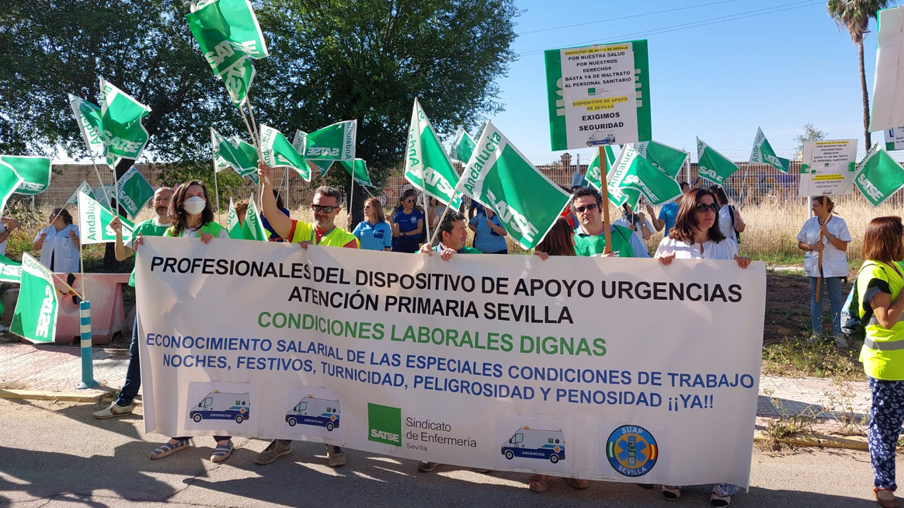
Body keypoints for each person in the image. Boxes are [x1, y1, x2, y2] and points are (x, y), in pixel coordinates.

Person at [256, 161, 357, 468]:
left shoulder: (349, 241)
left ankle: (333, 443)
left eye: (328, 208)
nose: (321, 212)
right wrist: (266, 184)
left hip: (330, 327)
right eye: (317, 207)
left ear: (338, 211)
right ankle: (283, 440)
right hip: (296, 323)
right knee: (290, 381)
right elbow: (272, 215)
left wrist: (312, 257)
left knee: (330, 384)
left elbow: (346, 282)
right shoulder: (299, 230)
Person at [654, 187, 750, 507]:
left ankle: (722, 482)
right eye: (702, 207)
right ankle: (676, 474)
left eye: (712, 206)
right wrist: (661, 270)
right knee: (680, 408)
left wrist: (745, 270)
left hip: (719, 341)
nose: (710, 212)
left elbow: (737, 288)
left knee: (719, 409)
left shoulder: (726, 244)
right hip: (680, 341)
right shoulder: (669, 244)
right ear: (689, 210)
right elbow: (651, 292)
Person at [148, 181, 233, 463]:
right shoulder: (170, 233)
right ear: (180, 202)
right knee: (178, 372)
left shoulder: (217, 232)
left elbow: (232, 270)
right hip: (175, 315)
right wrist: (143, 249)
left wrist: (214, 250)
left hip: (207, 315)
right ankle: (179, 434)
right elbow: (158, 270)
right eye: (191, 196)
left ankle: (222, 437)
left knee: (210, 373)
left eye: (201, 195)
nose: (196, 200)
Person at [93, 187, 173, 420]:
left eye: (167, 199)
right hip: (146, 297)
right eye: (158, 199)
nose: (162, 202)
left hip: (175, 299)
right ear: (152, 203)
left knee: (174, 349)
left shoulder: (182, 230)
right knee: (138, 351)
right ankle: (125, 401)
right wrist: (118, 233)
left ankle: (171, 402)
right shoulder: (142, 228)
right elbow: (121, 256)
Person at [418, 211, 482, 473]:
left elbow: (495, 280)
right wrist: (424, 258)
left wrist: (460, 262)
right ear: (444, 235)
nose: (465, 232)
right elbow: (406, 281)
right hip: (435, 343)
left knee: (471, 398)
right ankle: (435, 449)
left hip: (469, 342)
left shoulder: (474, 254)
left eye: (465, 227)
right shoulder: (427, 253)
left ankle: (477, 452)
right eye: (460, 229)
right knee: (437, 397)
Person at [528, 217, 589, 493]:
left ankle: (573, 466)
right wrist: (531, 266)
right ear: (564, 238)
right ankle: (544, 468)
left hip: (568, 350)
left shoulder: (581, 266)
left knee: (561, 408)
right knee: (549, 409)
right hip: (547, 350)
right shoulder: (532, 266)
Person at [857, 217, 904, 508]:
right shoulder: (875, 273)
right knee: (885, 429)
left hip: (899, 363)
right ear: (890, 239)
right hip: (888, 365)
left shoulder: (893, 266)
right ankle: (883, 486)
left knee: (887, 426)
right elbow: (886, 320)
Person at [796, 196, 851, 347]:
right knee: (816, 297)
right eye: (812, 205)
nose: (812, 208)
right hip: (815, 265)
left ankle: (838, 333)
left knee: (835, 298)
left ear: (826, 207)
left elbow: (843, 246)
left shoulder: (839, 223)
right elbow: (800, 243)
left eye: (815, 205)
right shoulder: (810, 223)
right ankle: (817, 332)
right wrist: (812, 247)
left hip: (833, 266)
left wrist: (827, 234)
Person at [570, 187, 647, 258]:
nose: (586, 211)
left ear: (600, 208)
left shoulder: (625, 235)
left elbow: (645, 265)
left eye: (591, 206)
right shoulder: (570, 241)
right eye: (581, 209)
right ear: (575, 213)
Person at [33, 208, 80, 273]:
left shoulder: (75, 228)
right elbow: (35, 247)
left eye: (52, 215)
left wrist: (74, 237)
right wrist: (41, 239)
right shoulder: (46, 230)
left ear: (60, 217)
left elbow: (82, 247)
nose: (49, 217)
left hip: (67, 268)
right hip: (47, 267)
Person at [391, 189, 425, 253]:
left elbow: (419, 230)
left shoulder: (418, 213)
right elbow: (396, 233)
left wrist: (404, 234)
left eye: (413, 201)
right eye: (409, 201)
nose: (412, 203)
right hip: (400, 243)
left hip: (413, 242)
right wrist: (391, 223)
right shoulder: (399, 215)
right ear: (402, 202)